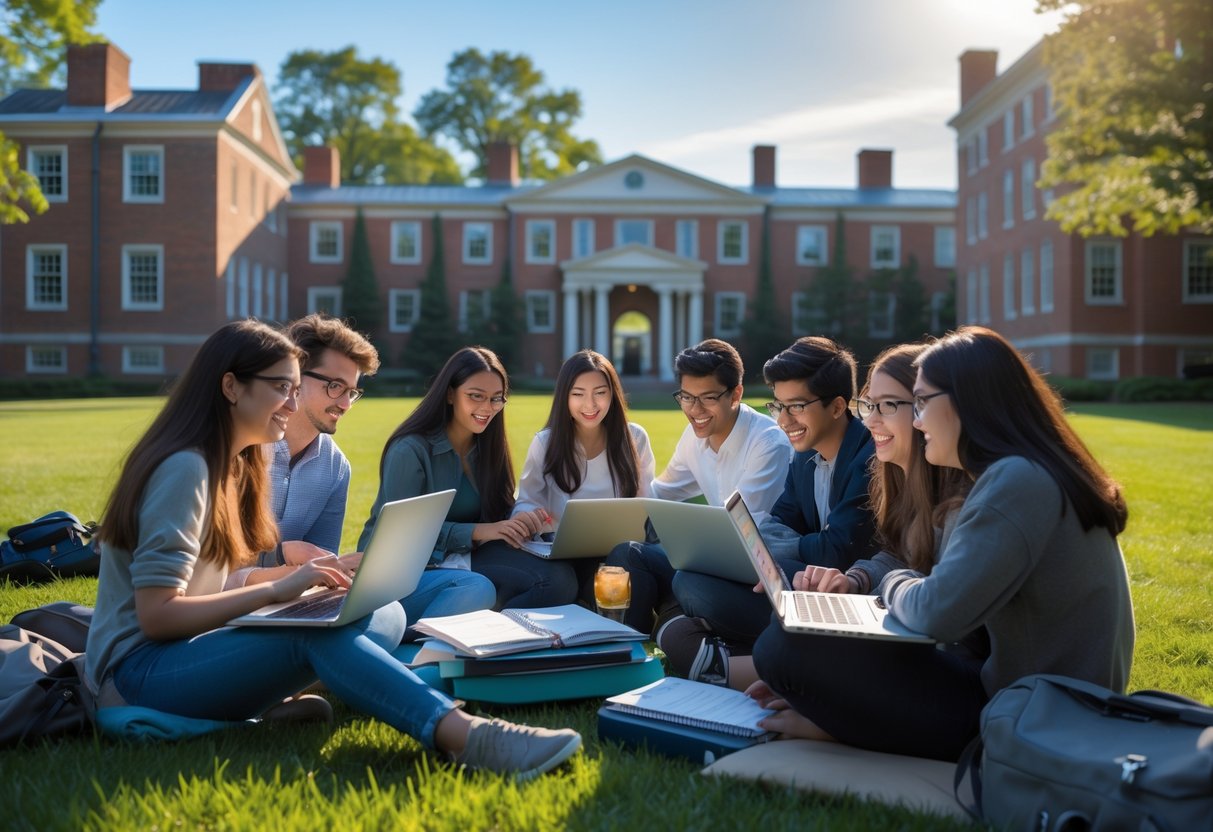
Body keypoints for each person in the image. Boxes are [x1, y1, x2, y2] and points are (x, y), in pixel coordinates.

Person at [85, 320, 582, 778]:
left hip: (195, 649)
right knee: (315, 636)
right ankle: (467, 737)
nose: (290, 402)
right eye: (282, 388)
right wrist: (281, 585)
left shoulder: (231, 466)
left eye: (293, 388)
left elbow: (221, 579)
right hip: (139, 674)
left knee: (380, 612)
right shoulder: (186, 468)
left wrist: (306, 582)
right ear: (231, 386)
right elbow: (158, 617)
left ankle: (315, 686)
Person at [747, 326, 1136, 761]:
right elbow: (931, 585)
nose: (916, 420)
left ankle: (838, 726)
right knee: (795, 642)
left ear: (970, 402)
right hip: (1025, 697)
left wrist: (892, 583)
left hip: (1032, 714)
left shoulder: (1017, 482)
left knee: (785, 648)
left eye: (922, 402)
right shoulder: (1009, 475)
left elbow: (936, 611)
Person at [225, 315, 494, 641]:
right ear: (295, 376)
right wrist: (284, 554)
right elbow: (215, 565)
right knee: (381, 626)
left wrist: (346, 566)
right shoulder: (242, 451)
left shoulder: (336, 466)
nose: (344, 404)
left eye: (352, 392)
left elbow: (320, 565)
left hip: (294, 599)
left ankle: (406, 653)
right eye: (334, 386)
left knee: (470, 586)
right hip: (234, 602)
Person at [723, 342, 969, 692]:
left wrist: (876, 590)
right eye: (869, 405)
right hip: (909, 629)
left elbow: (934, 605)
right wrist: (858, 581)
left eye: (887, 406)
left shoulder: (973, 497)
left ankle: (722, 666)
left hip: (956, 671)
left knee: (782, 645)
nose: (869, 420)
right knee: (780, 632)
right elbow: (901, 554)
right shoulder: (905, 480)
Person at [659, 336, 879, 684]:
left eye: (796, 406)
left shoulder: (869, 459)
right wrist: (779, 550)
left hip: (847, 598)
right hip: (800, 582)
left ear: (837, 407)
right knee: (690, 579)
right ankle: (724, 644)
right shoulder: (805, 454)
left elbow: (836, 550)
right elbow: (778, 522)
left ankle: (732, 654)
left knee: (695, 595)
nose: (783, 421)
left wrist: (778, 551)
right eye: (778, 406)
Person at [359, 346, 576, 610]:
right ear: (450, 394)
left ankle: (498, 627)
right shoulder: (410, 450)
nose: (488, 408)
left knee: (562, 575)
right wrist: (480, 532)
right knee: (550, 583)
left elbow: (496, 509)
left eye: (497, 398)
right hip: (404, 568)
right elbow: (401, 535)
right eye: (476, 396)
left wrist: (519, 518)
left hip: (465, 556)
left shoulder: (487, 446)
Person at [604, 339, 792, 635]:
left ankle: (676, 617)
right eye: (687, 398)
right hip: (707, 562)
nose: (694, 410)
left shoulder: (768, 444)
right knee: (628, 553)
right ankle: (629, 641)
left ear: (735, 394)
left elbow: (745, 537)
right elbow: (658, 496)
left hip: (750, 576)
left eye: (707, 398)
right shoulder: (695, 437)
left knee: (689, 585)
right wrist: (627, 471)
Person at [513, 349, 656, 598]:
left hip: (618, 551)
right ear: (564, 398)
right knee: (564, 583)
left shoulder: (635, 438)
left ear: (613, 394)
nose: (590, 405)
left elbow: (647, 504)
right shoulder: (546, 443)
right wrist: (527, 517)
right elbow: (527, 499)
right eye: (578, 394)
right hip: (560, 551)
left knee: (626, 578)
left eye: (600, 393)